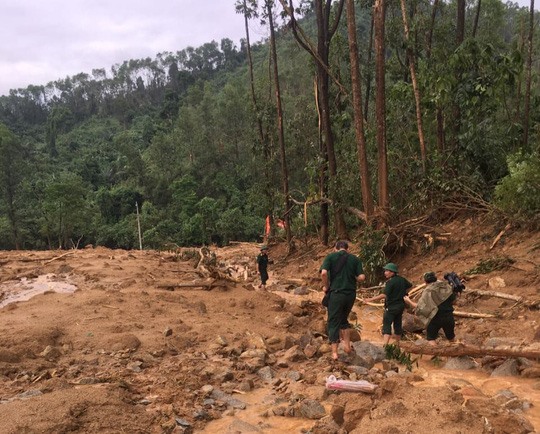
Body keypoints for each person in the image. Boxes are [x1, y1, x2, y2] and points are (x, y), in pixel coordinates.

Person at [320, 240, 366, 361]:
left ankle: (334, 353)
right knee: (343, 319)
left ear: (335, 248)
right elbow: (362, 277)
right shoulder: (355, 259)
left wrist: (326, 287)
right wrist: (353, 277)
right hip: (350, 294)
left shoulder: (330, 257)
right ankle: (347, 346)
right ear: (348, 249)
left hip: (337, 293)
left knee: (333, 321)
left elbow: (324, 273)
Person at [363, 262, 412, 346]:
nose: (385, 272)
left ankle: (385, 346)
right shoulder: (402, 279)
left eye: (387, 271)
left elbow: (384, 295)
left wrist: (370, 299)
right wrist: (404, 293)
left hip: (391, 307)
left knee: (387, 324)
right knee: (397, 324)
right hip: (400, 306)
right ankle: (398, 345)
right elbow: (410, 286)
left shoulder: (390, 282)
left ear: (392, 272)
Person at [405, 271, 457, 345]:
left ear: (425, 282)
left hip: (435, 318)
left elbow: (419, 307)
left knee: (431, 338)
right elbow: (454, 300)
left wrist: (408, 301)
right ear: (435, 279)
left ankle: (436, 355)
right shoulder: (445, 287)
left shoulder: (427, 292)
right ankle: (457, 351)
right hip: (449, 316)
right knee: (451, 337)